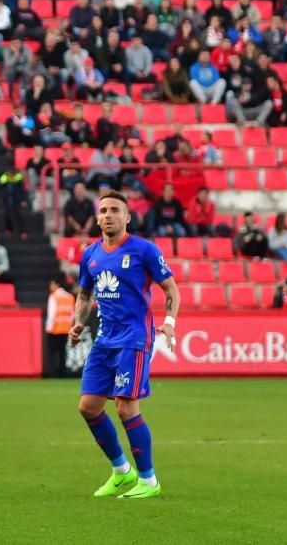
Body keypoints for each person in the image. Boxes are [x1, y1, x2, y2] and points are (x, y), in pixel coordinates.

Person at [70, 190, 180, 499]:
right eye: (103, 210)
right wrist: (78, 321)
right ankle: (122, 472)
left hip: (134, 338)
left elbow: (171, 289)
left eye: (115, 210)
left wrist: (169, 324)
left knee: (125, 406)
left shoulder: (144, 250)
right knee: (88, 407)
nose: (107, 215)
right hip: (105, 339)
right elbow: (84, 294)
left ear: (127, 217)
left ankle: (148, 480)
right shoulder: (90, 254)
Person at [44, 276, 75, 378]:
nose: (50, 286)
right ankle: (62, 372)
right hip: (66, 328)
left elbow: (52, 314)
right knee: (62, 352)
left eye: (52, 284)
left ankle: (53, 373)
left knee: (53, 352)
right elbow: (72, 314)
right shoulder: (70, 297)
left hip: (55, 328)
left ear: (57, 285)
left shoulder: (53, 296)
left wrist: (49, 328)